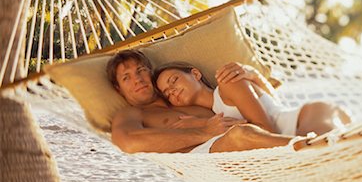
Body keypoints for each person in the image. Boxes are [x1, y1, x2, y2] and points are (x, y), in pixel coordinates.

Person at [107, 49, 308, 154]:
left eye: (141, 71)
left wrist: (253, 75)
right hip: (209, 156)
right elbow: (128, 142)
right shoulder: (132, 114)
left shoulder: (182, 99)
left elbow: (269, 105)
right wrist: (203, 132)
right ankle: (305, 147)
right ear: (118, 89)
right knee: (240, 134)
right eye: (127, 77)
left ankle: (314, 145)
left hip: (258, 138)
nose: (138, 80)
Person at [154, 62, 350, 138]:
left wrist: (202, 124)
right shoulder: (216, 113)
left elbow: (268, 131)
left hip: (309, 118)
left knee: (340, 153)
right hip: (299, 132)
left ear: (195, 74)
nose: (172, 90)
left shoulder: (227, 85)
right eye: (167, 93)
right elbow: (274, 103)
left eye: (173, 81)